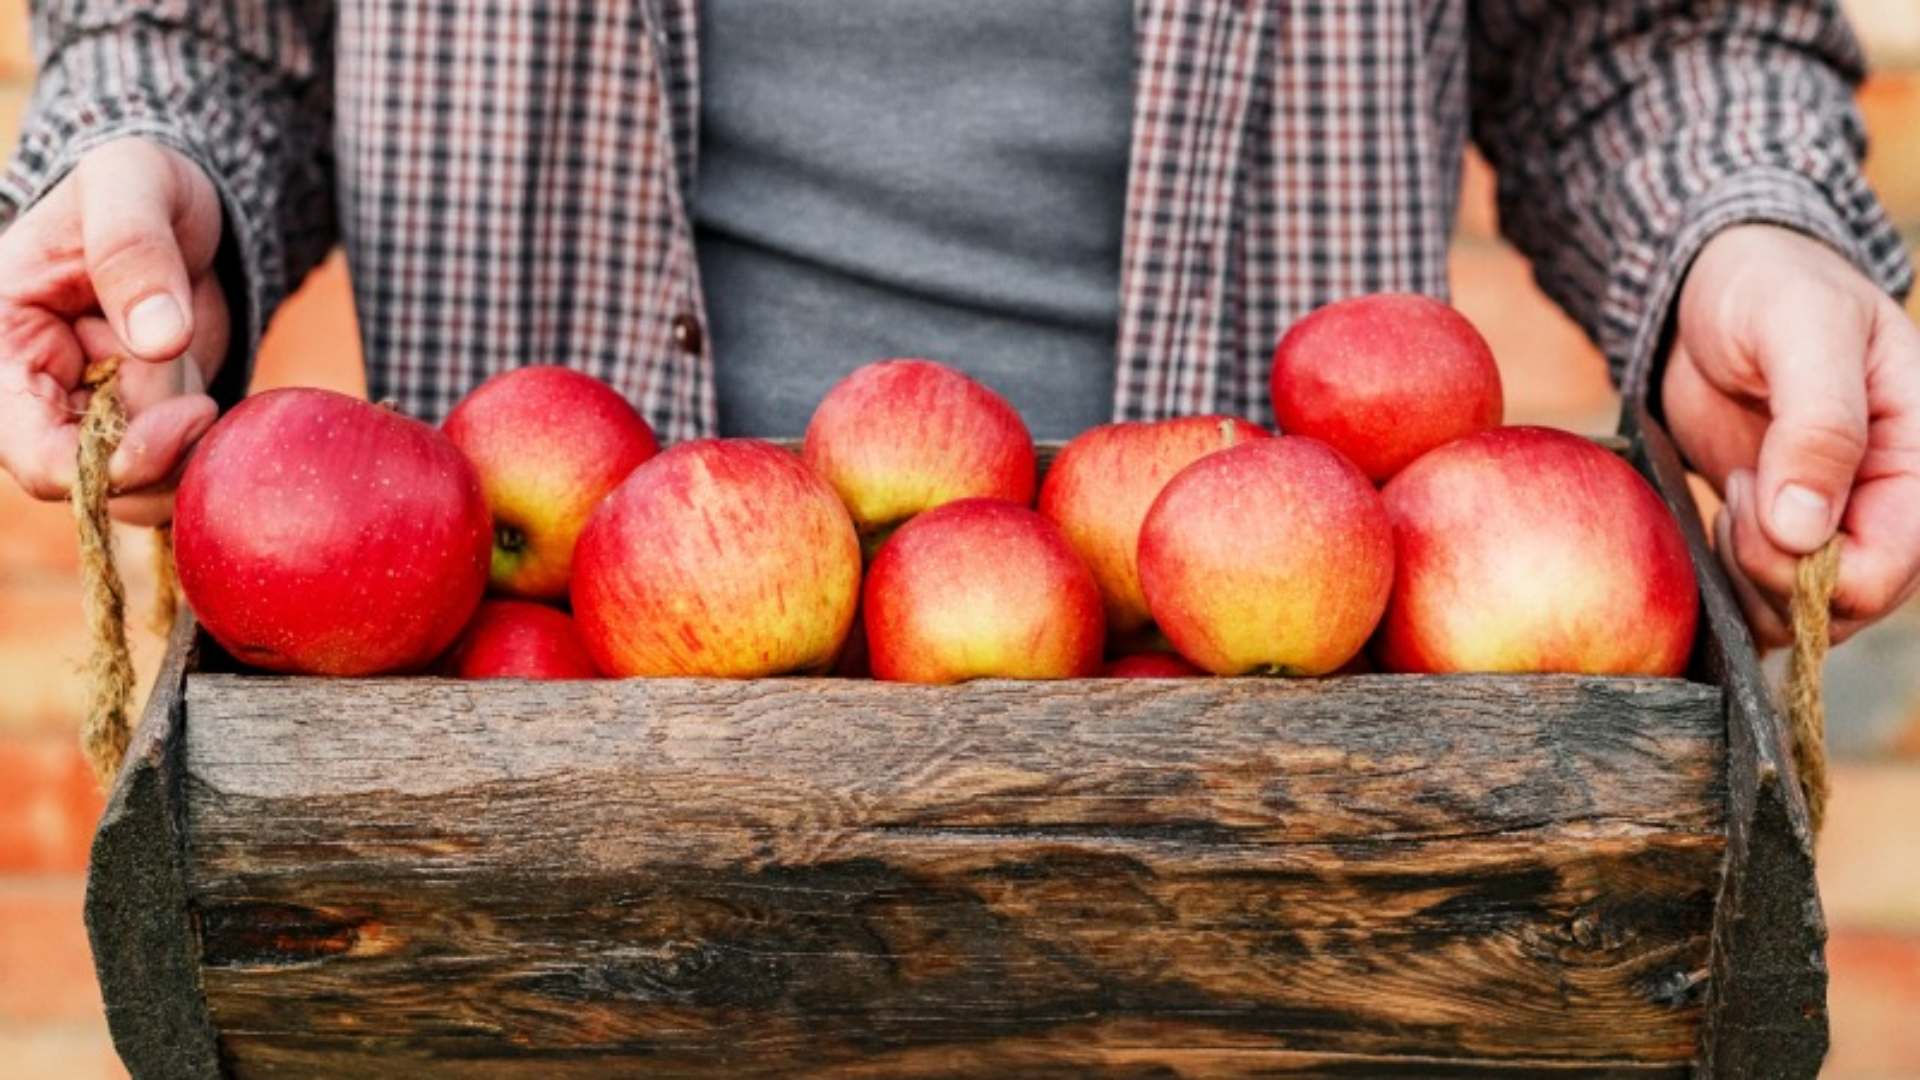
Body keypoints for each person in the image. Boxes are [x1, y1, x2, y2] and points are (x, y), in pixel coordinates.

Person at [0, 1, 1915, 650]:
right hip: (530, 784)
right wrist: (140, 167)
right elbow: (197, 21)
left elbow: (1643, 30)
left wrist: (1738, 237)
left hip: (1277, 817)